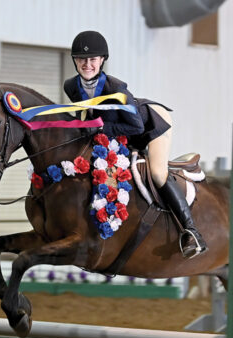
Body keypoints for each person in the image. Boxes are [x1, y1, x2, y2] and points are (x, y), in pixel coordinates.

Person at [64, 30, 207, 258]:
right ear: (75, 61)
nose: (87, 64)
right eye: (81, 59)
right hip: (119, 131)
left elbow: (136, 127)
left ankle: (191, 232)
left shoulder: (117, 89)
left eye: (92, 59)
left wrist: (100, 129)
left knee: (158, 173)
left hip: (151, 123)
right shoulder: (71, 86)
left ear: (102, 60)